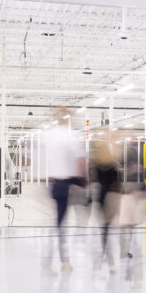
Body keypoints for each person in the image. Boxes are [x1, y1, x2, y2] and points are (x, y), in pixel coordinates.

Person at [42, 107, 86, 274]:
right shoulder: (69, 135)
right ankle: (59, 263)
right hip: (65, 184)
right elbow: (80, 160)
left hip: (53, 184)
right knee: (60, 225)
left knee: (59, 223)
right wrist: (84, 181)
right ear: (67, 118)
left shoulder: (49, 135)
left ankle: (61, 262)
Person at [91, 139, 120, 275]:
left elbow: (95, 179)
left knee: (104, 231)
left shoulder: (97, 165)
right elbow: (117, 183)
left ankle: (106, 260)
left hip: (102, 199)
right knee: (107, 230)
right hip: (111, 199)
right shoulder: (112, 165)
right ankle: (110, 263)